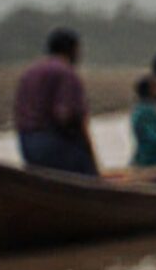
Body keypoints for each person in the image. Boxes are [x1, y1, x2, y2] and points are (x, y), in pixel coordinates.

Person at [11, 27, 96, 175]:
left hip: (26, 144)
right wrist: (91, 159)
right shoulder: (66, 72)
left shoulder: (30, 72)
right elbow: (66, 117)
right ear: (72, 50)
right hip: (50, 145)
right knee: (85, 166)